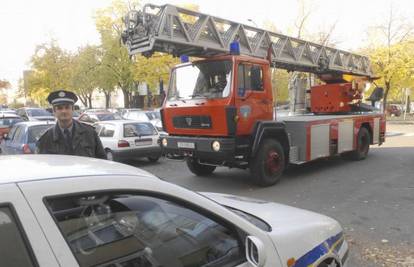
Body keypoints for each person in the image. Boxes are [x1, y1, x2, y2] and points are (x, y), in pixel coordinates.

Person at [36, 90, 106, 159]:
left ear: (72, 109)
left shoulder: (89, 133)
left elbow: (103, 161)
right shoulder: (45, 139)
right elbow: (42, 166)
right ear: (54, 111)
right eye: (60, 108)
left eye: (67, 107)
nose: (64, 111)